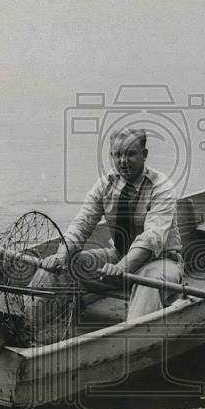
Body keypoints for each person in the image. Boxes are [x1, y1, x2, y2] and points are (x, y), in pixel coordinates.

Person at [29, 127, 183, 328]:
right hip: (119, 256)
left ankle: (132, 340)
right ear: (111, 155)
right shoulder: (105, 184)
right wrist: (60, 255)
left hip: (160, 261)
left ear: (144, 155)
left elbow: (151, 238)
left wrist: (121, 268)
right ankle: (27, 323)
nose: (123, 161)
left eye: (130, 154)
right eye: (117, 154)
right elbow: (82, 224)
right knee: (65, 264)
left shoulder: (162, 188)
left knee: (147, 281)